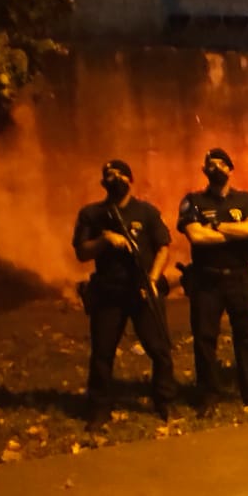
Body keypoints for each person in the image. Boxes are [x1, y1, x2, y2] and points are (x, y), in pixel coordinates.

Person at [72, 159, 178, 430]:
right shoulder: (92, 214)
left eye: (120, 174)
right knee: (102, 353)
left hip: (142, 289)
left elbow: (163, 247)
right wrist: (105, 240)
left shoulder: (146, 212)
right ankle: (99, 408)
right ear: (102, 182)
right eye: (109, 174)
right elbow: (82, 252)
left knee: (159, 350)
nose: (114, 178)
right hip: (108, 292)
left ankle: (164, 401)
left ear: (131, 180)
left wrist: (153, 279)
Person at [176, 148, 248, 414]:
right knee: (204, 339)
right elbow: (196, 236)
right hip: (206, 279)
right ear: (204, 170)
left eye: (221, 164)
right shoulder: (193, 201)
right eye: (211, 164)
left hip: (240, 278)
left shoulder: (245, 199)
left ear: (230, 168)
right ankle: (209, 394)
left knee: (247, 335)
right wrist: (233, 232)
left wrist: (215, 226)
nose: (216, 168)